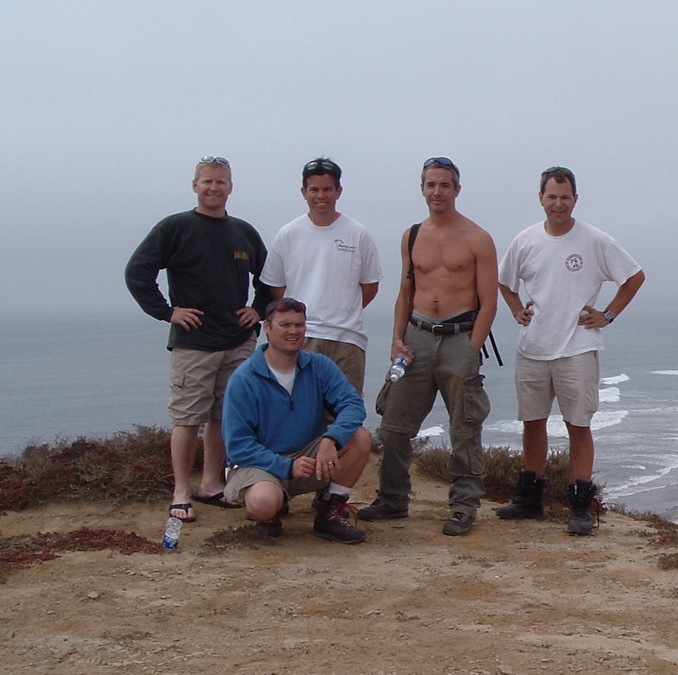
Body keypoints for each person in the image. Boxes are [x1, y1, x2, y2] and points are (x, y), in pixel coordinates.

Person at [496, 166, 645, 535]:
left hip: (577, 348)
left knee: (578, 425)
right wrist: (516, 309)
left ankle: (580, 507)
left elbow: (634, 276)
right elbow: (504, 281)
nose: (558, 204)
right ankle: (530, 499)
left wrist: (608, 314)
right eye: (552, 196)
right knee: (532, 423)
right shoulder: (525, 240)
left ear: (575, 199)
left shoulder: (595, 240)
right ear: (541, 198)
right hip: (533, 348)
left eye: (565, 197)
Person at [125, 156, 271, 524]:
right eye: (207, 181)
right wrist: (168, 312)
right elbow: (137, 273)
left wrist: (258, 310)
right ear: (195, 185)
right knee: (188, 418)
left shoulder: (244, 232)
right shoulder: (175, 227)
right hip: (194, 342)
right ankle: (181, 492)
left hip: (238, 342)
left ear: (230, 187)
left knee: (224, 416)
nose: (214, 187)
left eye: (221, 182)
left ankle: (211, 484)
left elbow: (269, 277)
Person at [359, 157, 498, 536]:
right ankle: (392, 499)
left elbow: (489, 302)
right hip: (416, 337)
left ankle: (463, 506)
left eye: (445, 185)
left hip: (459, 337)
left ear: (457, 189)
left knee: (464, 428)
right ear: (422, 189)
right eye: (431, 185)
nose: (438, 192)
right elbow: (405, 291)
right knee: (394, 426)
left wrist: (472, 347)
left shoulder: (478, 238)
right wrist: (397, 338)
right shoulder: (412, 236)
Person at [222, 297, 371, 543]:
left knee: (359, 437)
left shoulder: (319, 366)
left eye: (299, 325)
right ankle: (271, 511)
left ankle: (329, 512)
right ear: (267, 327)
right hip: (259, 464)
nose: (293, 331)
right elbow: (238, 446)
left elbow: (352, 404)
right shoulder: (244, 378)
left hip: (306, 459)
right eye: (285, 325)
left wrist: (331, 439)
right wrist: (286, 467)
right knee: (263, 503)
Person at [260, 158, 382, 394]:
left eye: (327, 189)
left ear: (339, 191)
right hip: (302, 337)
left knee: (345, 409)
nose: (320, 196)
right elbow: (277, 287)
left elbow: (370, 286)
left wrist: (344, 310)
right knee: (299, 407)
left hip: (347, 339)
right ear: (303, 192)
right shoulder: (288, 234)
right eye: (314, 190)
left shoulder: (358, 234)